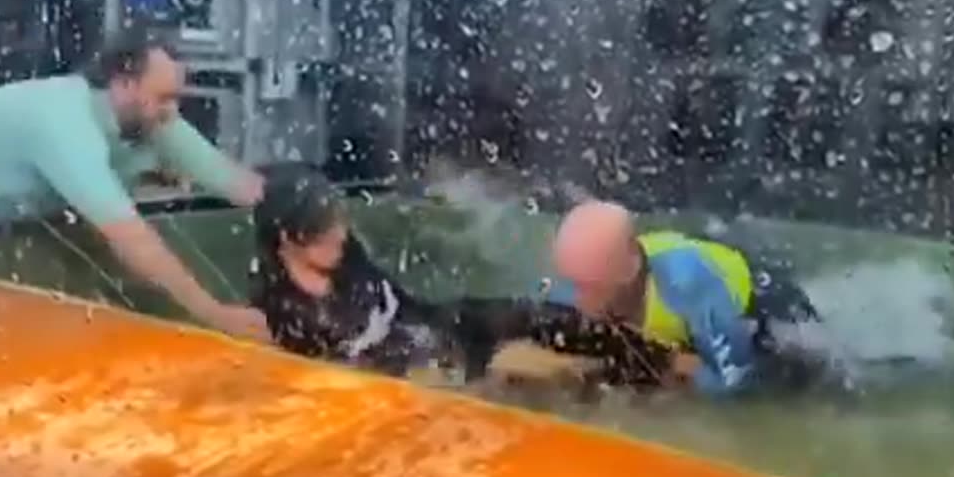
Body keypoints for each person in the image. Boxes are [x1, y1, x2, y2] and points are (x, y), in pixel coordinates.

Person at [0, 28, 268, 339]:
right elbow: (131, 239)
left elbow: (240, 185)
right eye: (164, 98)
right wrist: (214, 313)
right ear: (124, 83)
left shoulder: (154, 116)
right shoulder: (60, 122)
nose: (173, 112)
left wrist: (305, 213)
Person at [251, 165, 687, 392]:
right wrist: (474, 378)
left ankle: (665, 362)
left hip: (438, 323)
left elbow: (408, 308)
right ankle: (615, 381)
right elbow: (363, 383)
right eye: (327, 229)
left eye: (339, 221)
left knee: (532, 317)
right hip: (426, 368)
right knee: (537, 372)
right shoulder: (292, 313)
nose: (342, 235)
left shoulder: (344, 258)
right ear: (290, 237)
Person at [548, 200, 823, 397]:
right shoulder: (592, 274)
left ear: (625, 274)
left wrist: (666, 380)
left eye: (588, 289)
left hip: (763, 306)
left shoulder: (691, 288)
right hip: (696, 278)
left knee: (806, 376)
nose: (577, 300)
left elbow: (734, 381)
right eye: (573, 285)